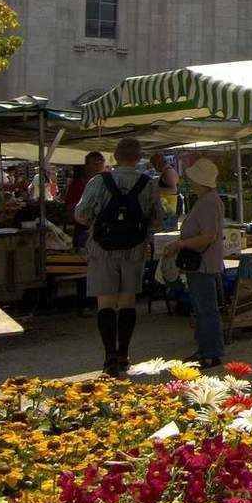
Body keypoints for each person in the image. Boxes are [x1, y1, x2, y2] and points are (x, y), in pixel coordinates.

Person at [74, 137, 162, 376]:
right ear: (139, 157)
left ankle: (109, 357)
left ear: (115, 155)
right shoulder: (148, 183)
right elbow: (157, 218)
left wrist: (99, 222)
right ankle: (124, 354)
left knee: (105, 302)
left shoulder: (98, 181)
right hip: (134, 250)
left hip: (102, 249)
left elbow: (80, 214)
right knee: (127, 301)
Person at [161, 159, 226, 368]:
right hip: (203, 262)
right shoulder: (208, 200)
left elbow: (208, 236)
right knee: (204, 308)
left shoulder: (208, 202)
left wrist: (180, 244)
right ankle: (206, 350)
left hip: (202, 263)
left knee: (206, 309)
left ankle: (210, 352)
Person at [65, 151, 105, 249]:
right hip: (83, 228)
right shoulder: (77, 184)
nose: (98, 167)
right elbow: (70, 208)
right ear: (86, 165)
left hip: (103, 228)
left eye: (101, 163)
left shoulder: (107, 184)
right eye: (95, 164)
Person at [151, 153, 182, 229]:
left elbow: (174, 190)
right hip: (167, 205)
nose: (154, 168)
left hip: (170, 205)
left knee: (168, 228)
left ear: (158, 164)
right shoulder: (166, 171)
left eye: (154, 165)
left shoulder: (169, 172)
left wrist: (157, 190)